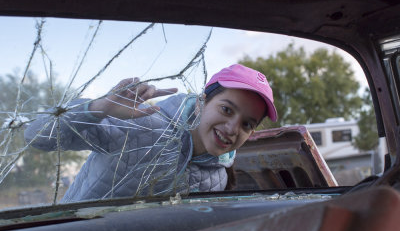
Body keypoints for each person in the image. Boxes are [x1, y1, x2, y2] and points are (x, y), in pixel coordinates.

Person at [24, 64, 277, 202]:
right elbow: (35, 136)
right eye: (226, 109)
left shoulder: (218, 180)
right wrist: (98, 108)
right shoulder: (143, 125)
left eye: (247, 124)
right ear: (201, 102)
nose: (233, 129)